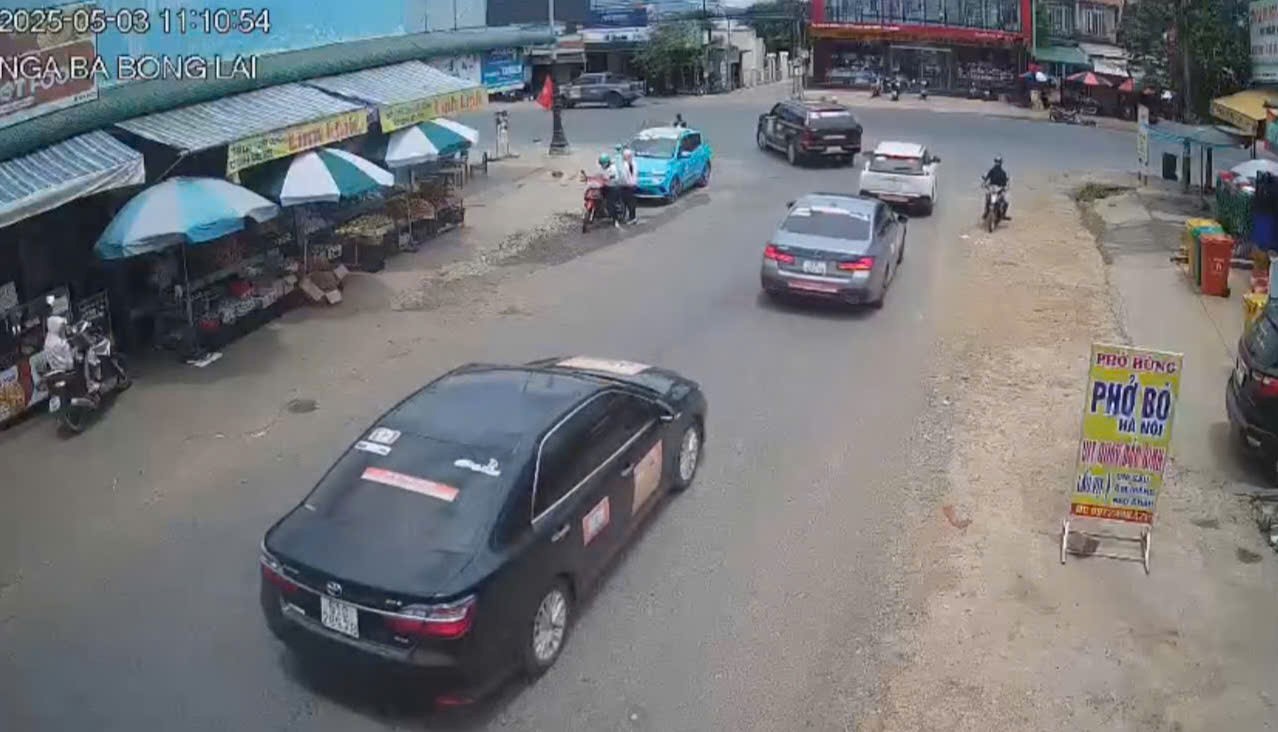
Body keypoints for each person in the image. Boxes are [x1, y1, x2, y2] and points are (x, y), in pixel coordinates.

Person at [598, 153, 622, 227]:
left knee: (610, 204)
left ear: (608, 162)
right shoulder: (601, 168)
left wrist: (610, 177)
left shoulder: (613, 168)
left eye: (604, 163)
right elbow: (599, 175)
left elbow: (616, 177)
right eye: (601, 163)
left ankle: (615, 220)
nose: (603, 165)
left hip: (613, 187)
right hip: (604, 186)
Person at [619, 148, 638, 224]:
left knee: (629, 203)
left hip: (628, 186)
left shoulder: (626, 165)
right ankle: (630, 217)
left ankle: (632, 218)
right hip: (631, 185)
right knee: (629, 202)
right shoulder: (633, 163)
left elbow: (625, 176)